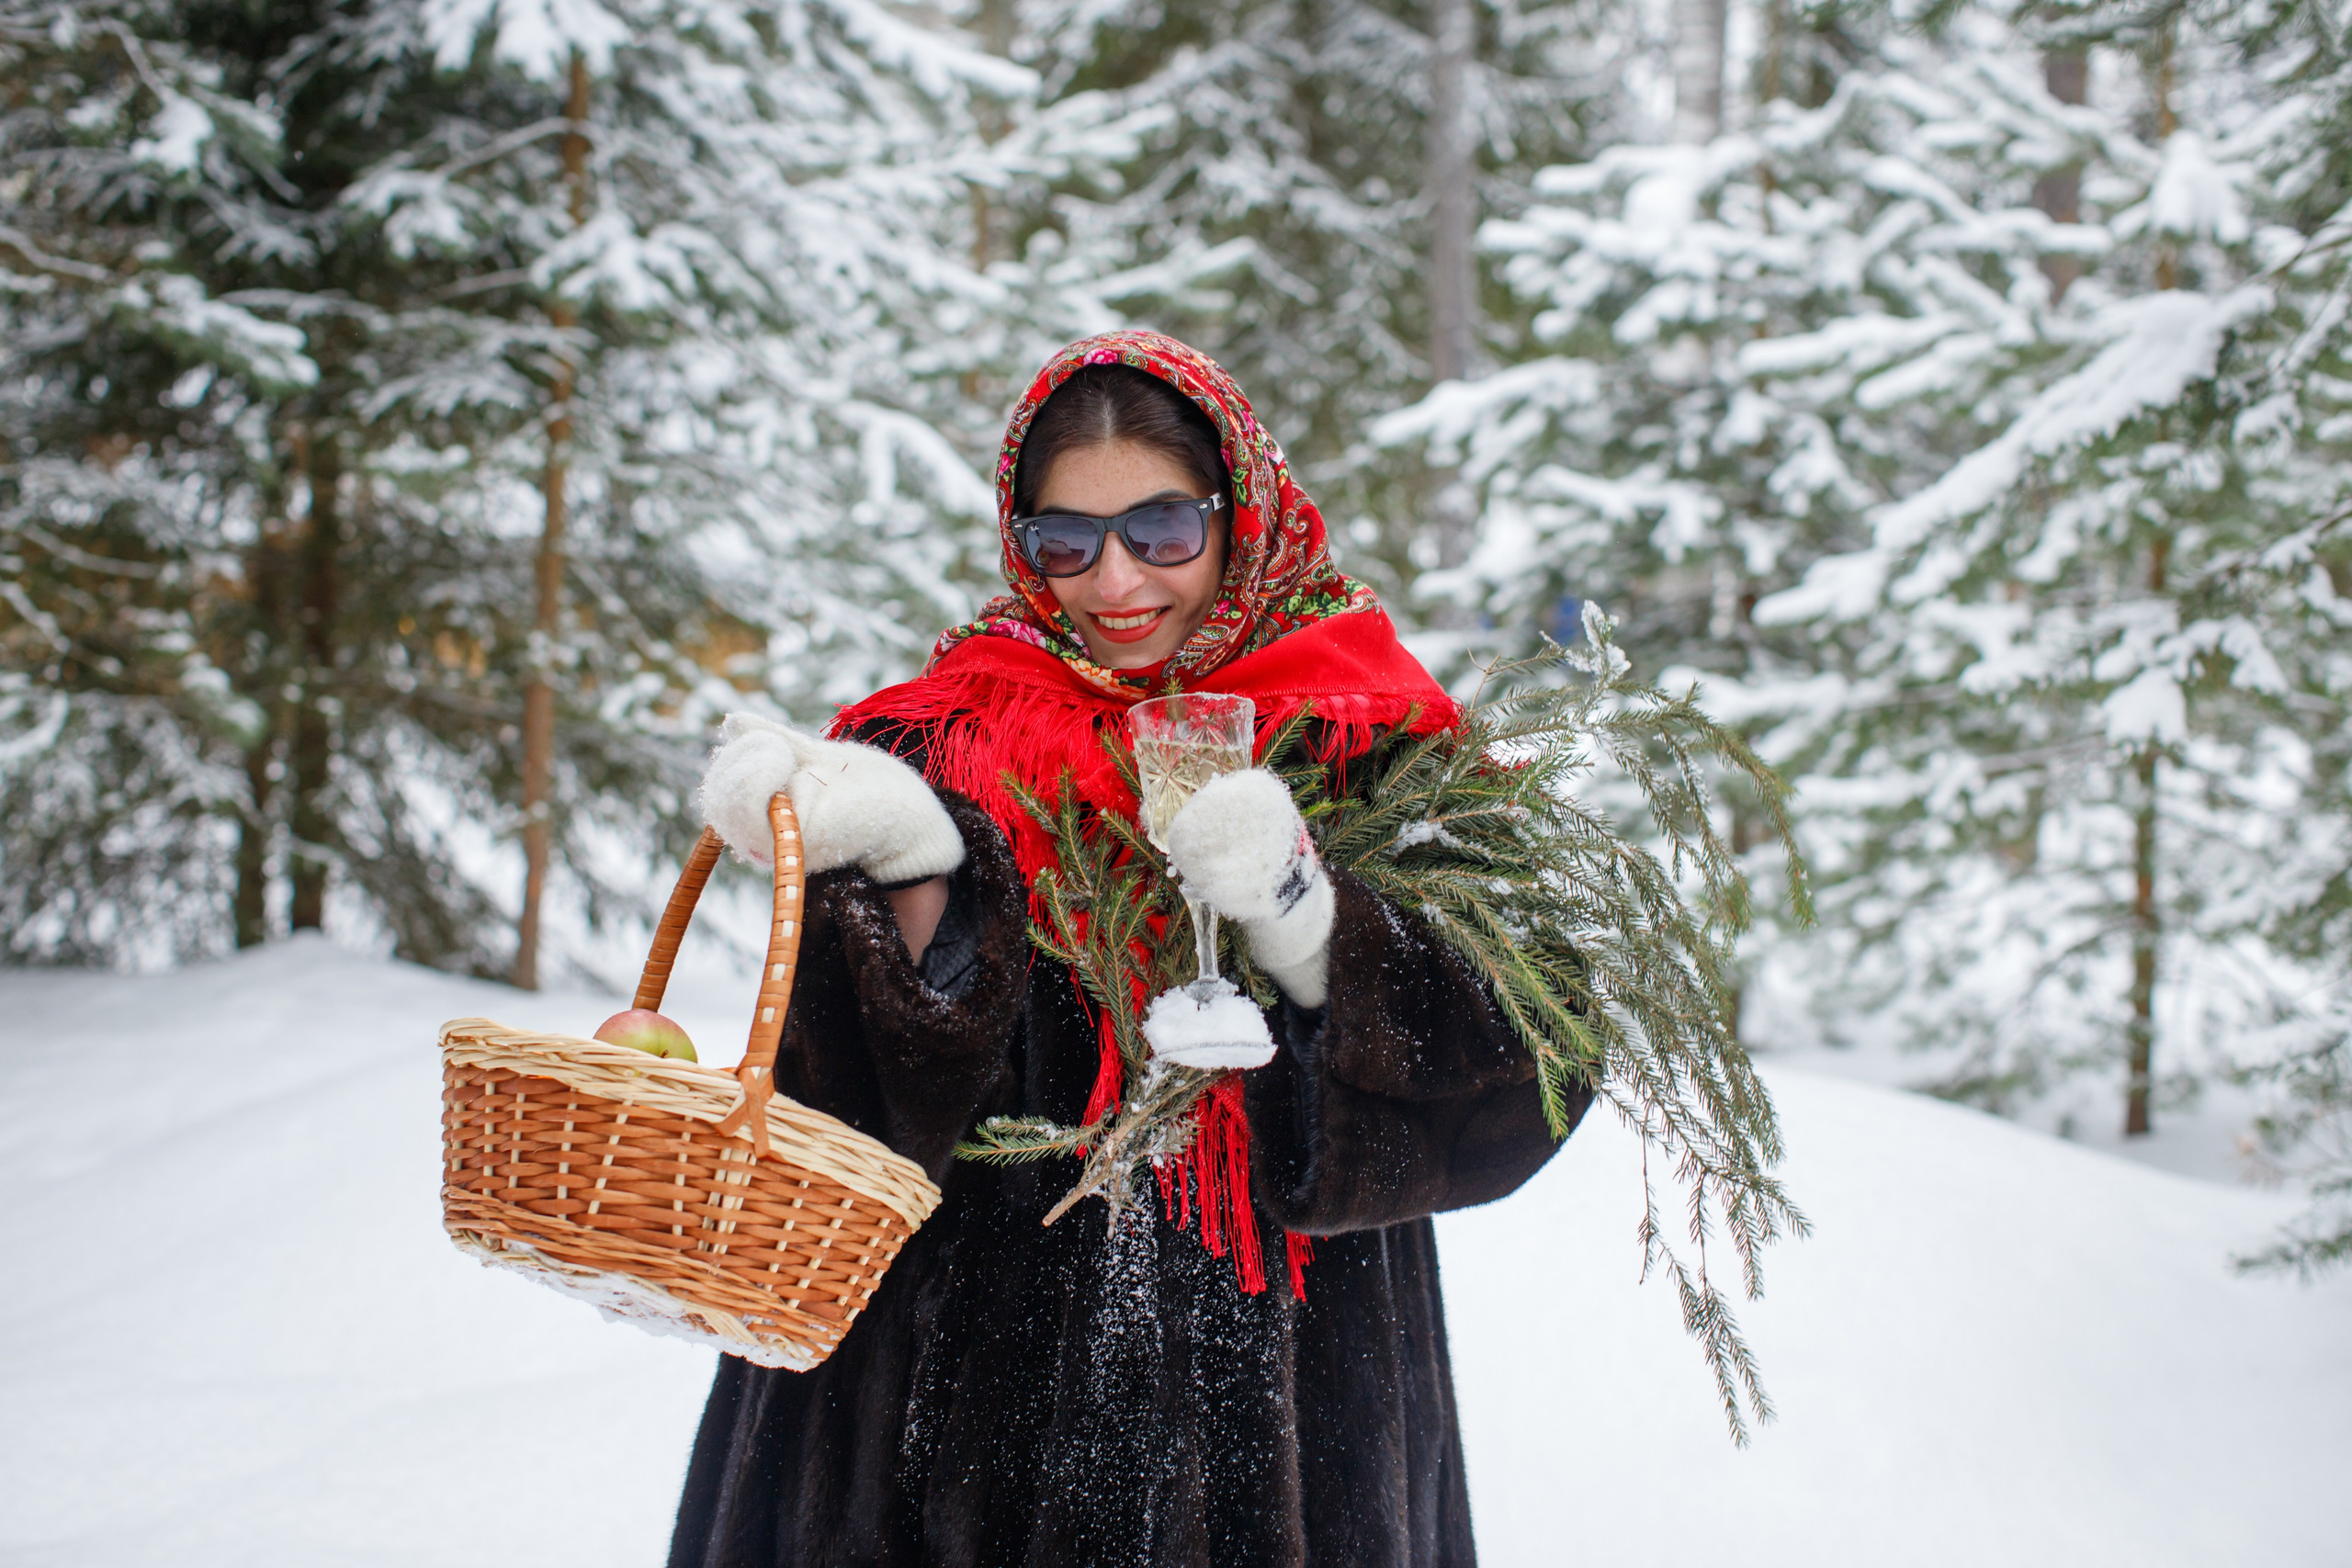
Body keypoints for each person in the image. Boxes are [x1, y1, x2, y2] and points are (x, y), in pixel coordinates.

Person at [669, 331, 1589, 1568]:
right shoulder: (941, 739)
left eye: (1161, 529)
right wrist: (914, 869)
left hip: (1292, 1397)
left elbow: (1529, 1069)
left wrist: (1308, 916)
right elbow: (831, 1119)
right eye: (1067, 539)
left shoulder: (1365, 734)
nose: (1115, 581)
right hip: (953, 1408)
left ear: (1237, 512)